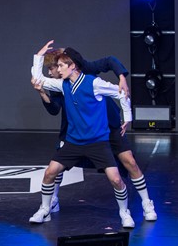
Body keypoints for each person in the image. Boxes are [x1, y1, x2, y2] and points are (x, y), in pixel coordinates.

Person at [32, 48, 157, 222]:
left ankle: (145, 204)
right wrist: (38, 58)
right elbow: (50, 100)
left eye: (58, 66)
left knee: (128, 164)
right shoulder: (62, 85)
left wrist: (122, 83)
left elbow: (113, 68)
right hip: (78, 135)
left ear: (72, 65)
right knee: (53, 169)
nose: (56, 71)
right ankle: (48, 205)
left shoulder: (91, 77)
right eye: (55, 67)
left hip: (108, 129)